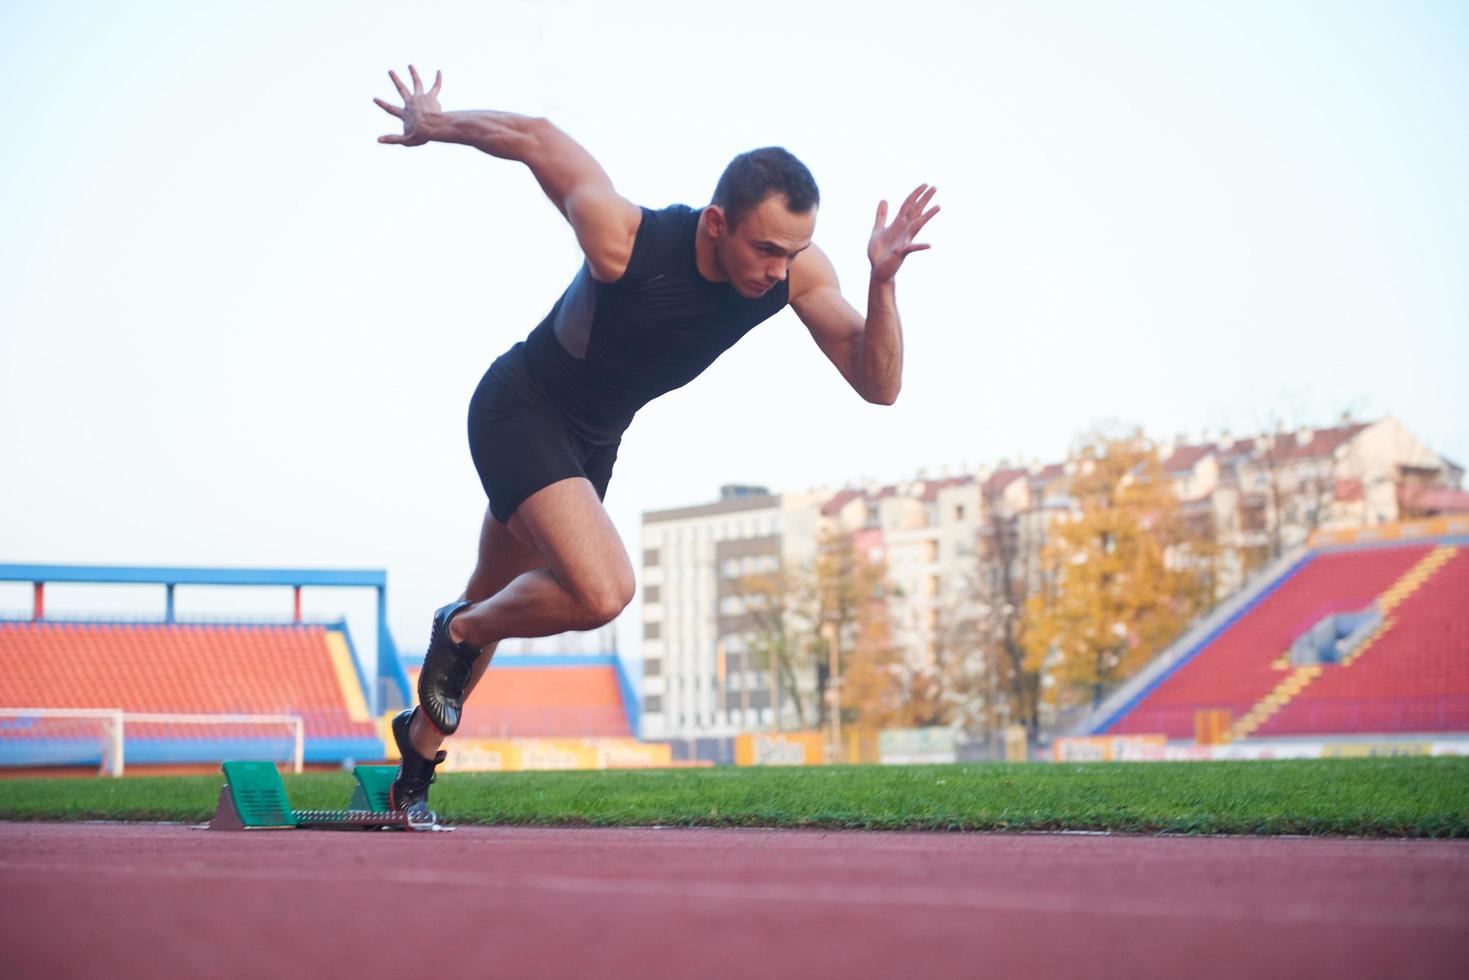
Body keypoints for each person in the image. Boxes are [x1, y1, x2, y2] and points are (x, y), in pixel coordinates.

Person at [373, 65, 939, 824]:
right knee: (597, 592)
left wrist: (883, 284)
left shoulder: (795, 274)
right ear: (715, 223)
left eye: (792, 252)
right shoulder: (626, 240)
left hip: (590, 443)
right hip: (521, 407)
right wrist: (434, 124)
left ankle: (412, 768)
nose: (779, 270)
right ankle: (461, 626)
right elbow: (539, 140)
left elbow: (879, 385)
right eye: (765, 248)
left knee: (501, 597)